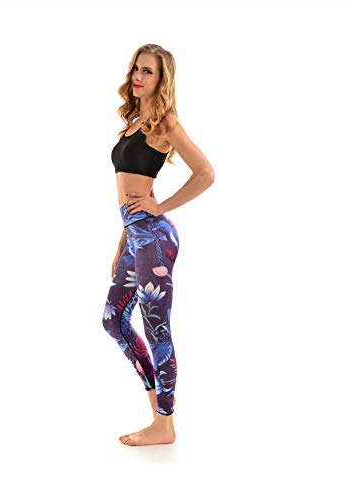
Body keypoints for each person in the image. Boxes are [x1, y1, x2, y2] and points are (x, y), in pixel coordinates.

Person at [102, 44, 215, 446]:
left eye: (147, 71)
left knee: (157, 329)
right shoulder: (135, 123)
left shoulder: (166, 124)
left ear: (161, 79)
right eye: (136, 68)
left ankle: (164, 423)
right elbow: (133, 192)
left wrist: (161, 207)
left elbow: (205, 173)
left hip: (155, 239)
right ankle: (157, 413)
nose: (138, 76)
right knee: (113, 320)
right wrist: (122, 241)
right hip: (135, 236)